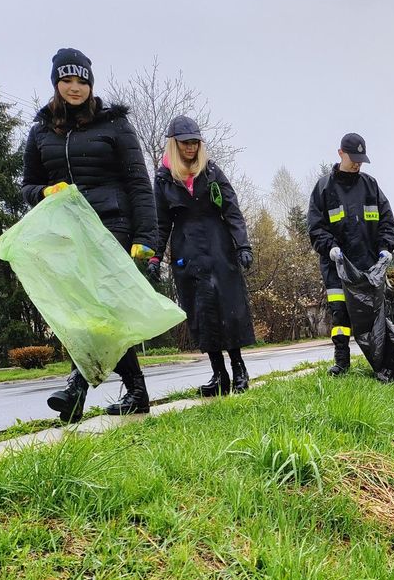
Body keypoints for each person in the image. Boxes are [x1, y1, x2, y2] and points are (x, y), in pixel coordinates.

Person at [22, 48, 157, 422]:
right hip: (66, 233)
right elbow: (27, 186)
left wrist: (147, 236)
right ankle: (136, 390)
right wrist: (44, 193)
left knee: (100, 310)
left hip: (112, 226)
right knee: (86, 313)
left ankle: (75, 389)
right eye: (67, 80)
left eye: (82, 80)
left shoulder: (114, 126)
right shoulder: (39, 133)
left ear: (91, 84)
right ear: (55, 83)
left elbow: (139, 184)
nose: (75, 87)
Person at [149, 116, 255, 395]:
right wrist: (155, 257)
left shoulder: (211, 172)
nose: (191, 147)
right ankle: (218, 375)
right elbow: (161, 223)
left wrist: (243, 245)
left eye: (195, 142)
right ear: (174, 144)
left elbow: (231, 209)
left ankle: (239, 370)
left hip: (219, 246)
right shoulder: (162, 179)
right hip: (186, 251)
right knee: (201, 312)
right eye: (185, 142)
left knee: (228, 308)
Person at [306, 133, 394, 375]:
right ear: (340, 154)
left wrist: (386, 248)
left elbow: (387, 221)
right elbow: (315, 227)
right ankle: (341, 362)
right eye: (353, 158)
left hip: (368, 266)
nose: (357, 163)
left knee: (374, 317)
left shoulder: (370, 186)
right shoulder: (324, 188)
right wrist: (330, 247)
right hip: (337, 266)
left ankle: (381, 363)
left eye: (361, 159)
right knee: (340, 315)